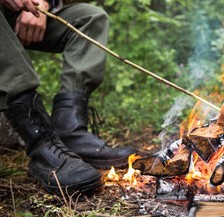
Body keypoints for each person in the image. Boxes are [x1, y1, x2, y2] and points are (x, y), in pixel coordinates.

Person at [0, 0, 137, 194]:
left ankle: (70, 133)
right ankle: (41, 147)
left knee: (90, 18)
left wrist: (43, 3)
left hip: (16, 13)